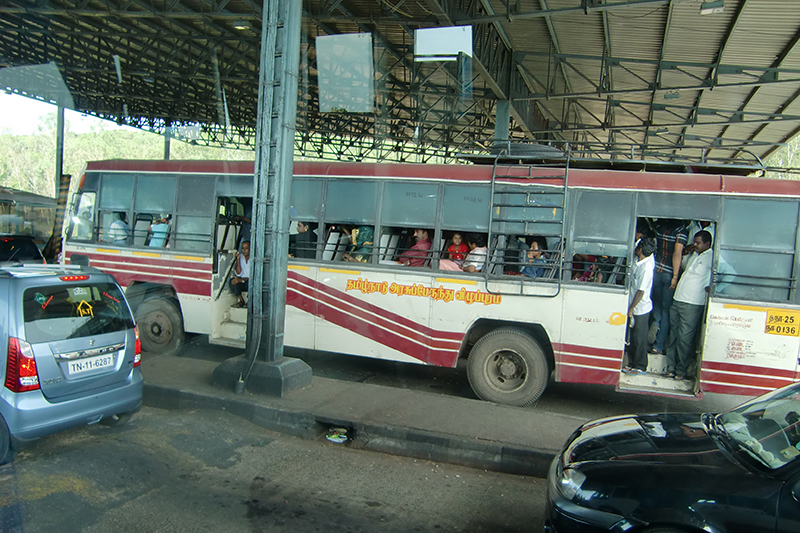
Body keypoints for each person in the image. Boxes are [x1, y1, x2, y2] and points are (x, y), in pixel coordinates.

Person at [666, 230, 713, 381]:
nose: (695, 245)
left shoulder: (712, 257)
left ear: (708, 243)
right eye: (695, 242)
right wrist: (686, 253)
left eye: (698, 242)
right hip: (678, 299)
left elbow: (729, 273)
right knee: (674, 335)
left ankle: (681, 370)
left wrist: (713, 288)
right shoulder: (695, 254)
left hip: (693, 303)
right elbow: (683, 267)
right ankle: (671, 367)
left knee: (685, 338)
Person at [650, 219, 689, 355]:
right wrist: (675, 276)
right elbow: (677, 254)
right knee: (666, 310)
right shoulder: (681, 232)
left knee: (657, 306)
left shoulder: (660, 228)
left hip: (656, 271)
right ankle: (658, 345)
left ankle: (654, 328)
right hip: (669, 274)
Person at [623, 237, 656, 375]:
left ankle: (641, 366)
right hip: (632, 304)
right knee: (630, 338)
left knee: (639, 338)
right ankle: (631, 363)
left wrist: (631, 309)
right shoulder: (639, 261)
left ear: (641, 250)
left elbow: (640, 292)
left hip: (640, 308)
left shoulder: (646, 268)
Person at [230, 240, 250, 308]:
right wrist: (238, 259)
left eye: (246, 248)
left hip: (250, 281)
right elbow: (238, 273)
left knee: (251, 283)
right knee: (232, 282)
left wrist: (241, 280)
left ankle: (250, 302)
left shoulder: (254, 258)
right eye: (242, 248)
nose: (244, 250)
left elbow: (253, 276)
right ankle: (242, 301)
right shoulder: (241, 257)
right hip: (242, 280)